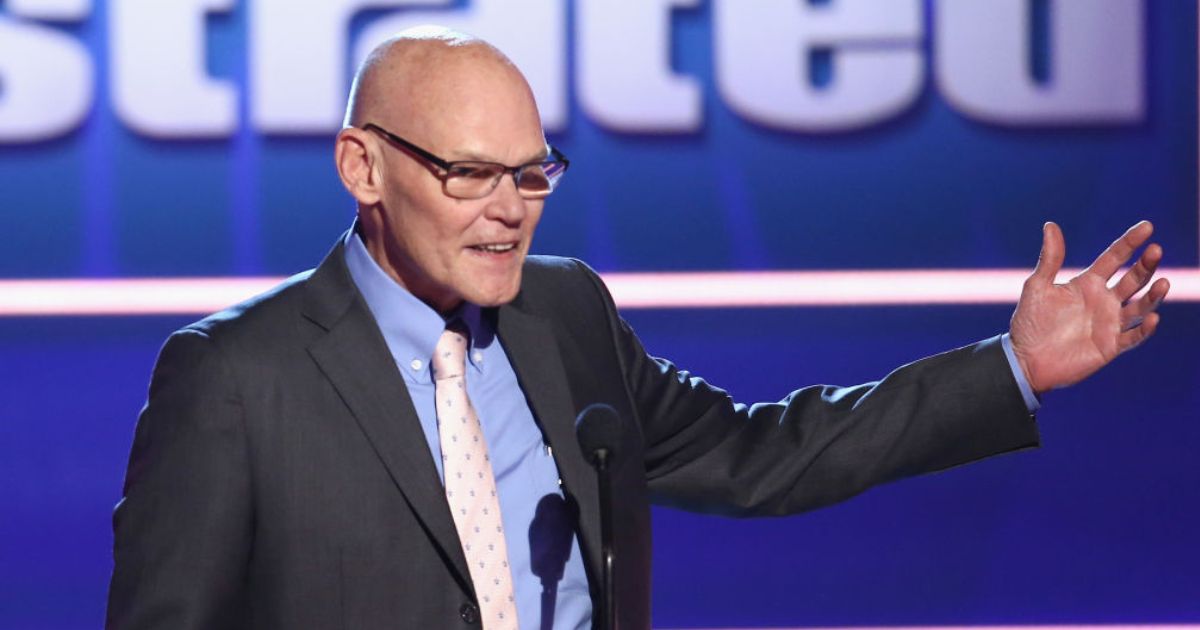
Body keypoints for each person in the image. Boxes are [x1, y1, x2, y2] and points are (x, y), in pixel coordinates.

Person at [105, 26, 1170, 630]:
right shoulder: (235, 376)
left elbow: (764, 455)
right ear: (361, 166)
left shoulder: (563, 313)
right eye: (468, 173)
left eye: (531, 173)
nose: (509, 207)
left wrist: (1013, 366)